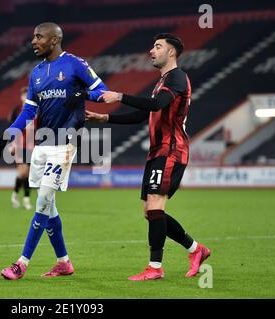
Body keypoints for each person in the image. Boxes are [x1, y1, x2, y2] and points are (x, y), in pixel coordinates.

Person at [86, 33, 211, 281]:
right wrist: (106, 118)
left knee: (155, 207)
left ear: (171, 52)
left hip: (171, 150)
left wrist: (120, 96)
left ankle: (155, 268)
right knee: (150, 211)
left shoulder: (176, 77)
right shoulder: (162, 81)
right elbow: (144, 115)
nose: (151, 51)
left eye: (157, 46)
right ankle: (196, 250)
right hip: (158, 152)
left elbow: (155, 106)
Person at [0, 22, 108, 280]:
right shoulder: (35, 73)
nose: (33, 41)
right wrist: (9, 135)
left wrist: (81, 97)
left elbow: (101, 91)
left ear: (54, 40)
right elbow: (28, 111)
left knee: (43, 200)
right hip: (42, 145)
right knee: (49, 205)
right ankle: (64, 262)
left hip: (65, 144)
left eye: (38, 36)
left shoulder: (75, 64)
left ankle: (21, 264)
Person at [7, 86, 34, 210]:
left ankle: (18, 196)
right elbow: (13, 128)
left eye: (27, 94)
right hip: (19, 145)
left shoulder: (35, 110)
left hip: (31, 145)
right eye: (23, 94)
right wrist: (11, 144)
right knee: (23, 172)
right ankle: (23, 198)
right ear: (21, 97)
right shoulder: (17, 110)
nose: (25, 96)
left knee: (27, 174)